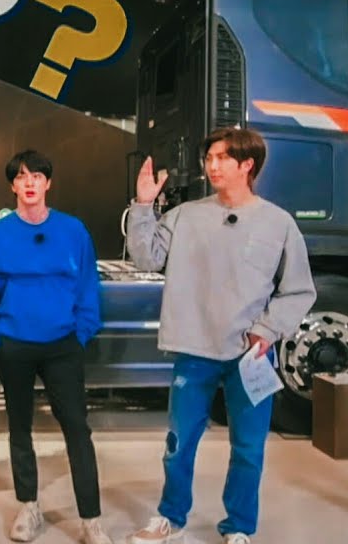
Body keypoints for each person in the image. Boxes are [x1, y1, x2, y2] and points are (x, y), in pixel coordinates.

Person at [127, 127, 316, 544]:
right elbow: (146, 258)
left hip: (250, 355)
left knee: (248, 448)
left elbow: (299, 290)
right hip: (193, 350)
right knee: (179, 443)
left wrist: (267, 330)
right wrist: (143, 206)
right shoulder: (186, 215)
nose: (212, 166)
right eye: (209, 158)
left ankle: (239, 527)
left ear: (247, 165)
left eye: (222, 158)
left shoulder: (278, 223)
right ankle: (171, 517)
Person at [0, 150, 111, 544]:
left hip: (63, 345)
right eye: (21, 176)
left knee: (77, 429)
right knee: (19, 427)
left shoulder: (73, 230)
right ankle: (28, 505)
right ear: (12, 186)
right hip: (14, 345)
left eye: (36, 176)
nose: (29, 182)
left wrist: (81, 332)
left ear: (48, 183)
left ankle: (91, 519)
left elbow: (88, 288)